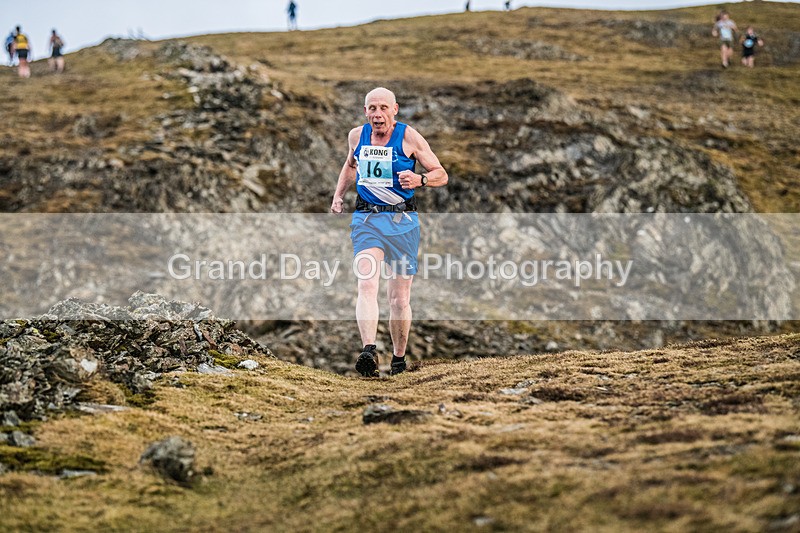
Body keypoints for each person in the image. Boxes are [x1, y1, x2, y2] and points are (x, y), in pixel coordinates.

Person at [330, 87, 448, 377]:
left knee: (399, 299)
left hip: (402, 223)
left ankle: (398, 359)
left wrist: (420, 179)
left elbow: (441, 174)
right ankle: (369, 350)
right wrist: (338, 196)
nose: (377, 114)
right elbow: (350, 166)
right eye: (372, 108)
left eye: (383, 108)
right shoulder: (356, 136)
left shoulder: (409, 137)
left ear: (394, 110)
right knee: (367, 283)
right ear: (365, 111)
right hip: (367, 220)